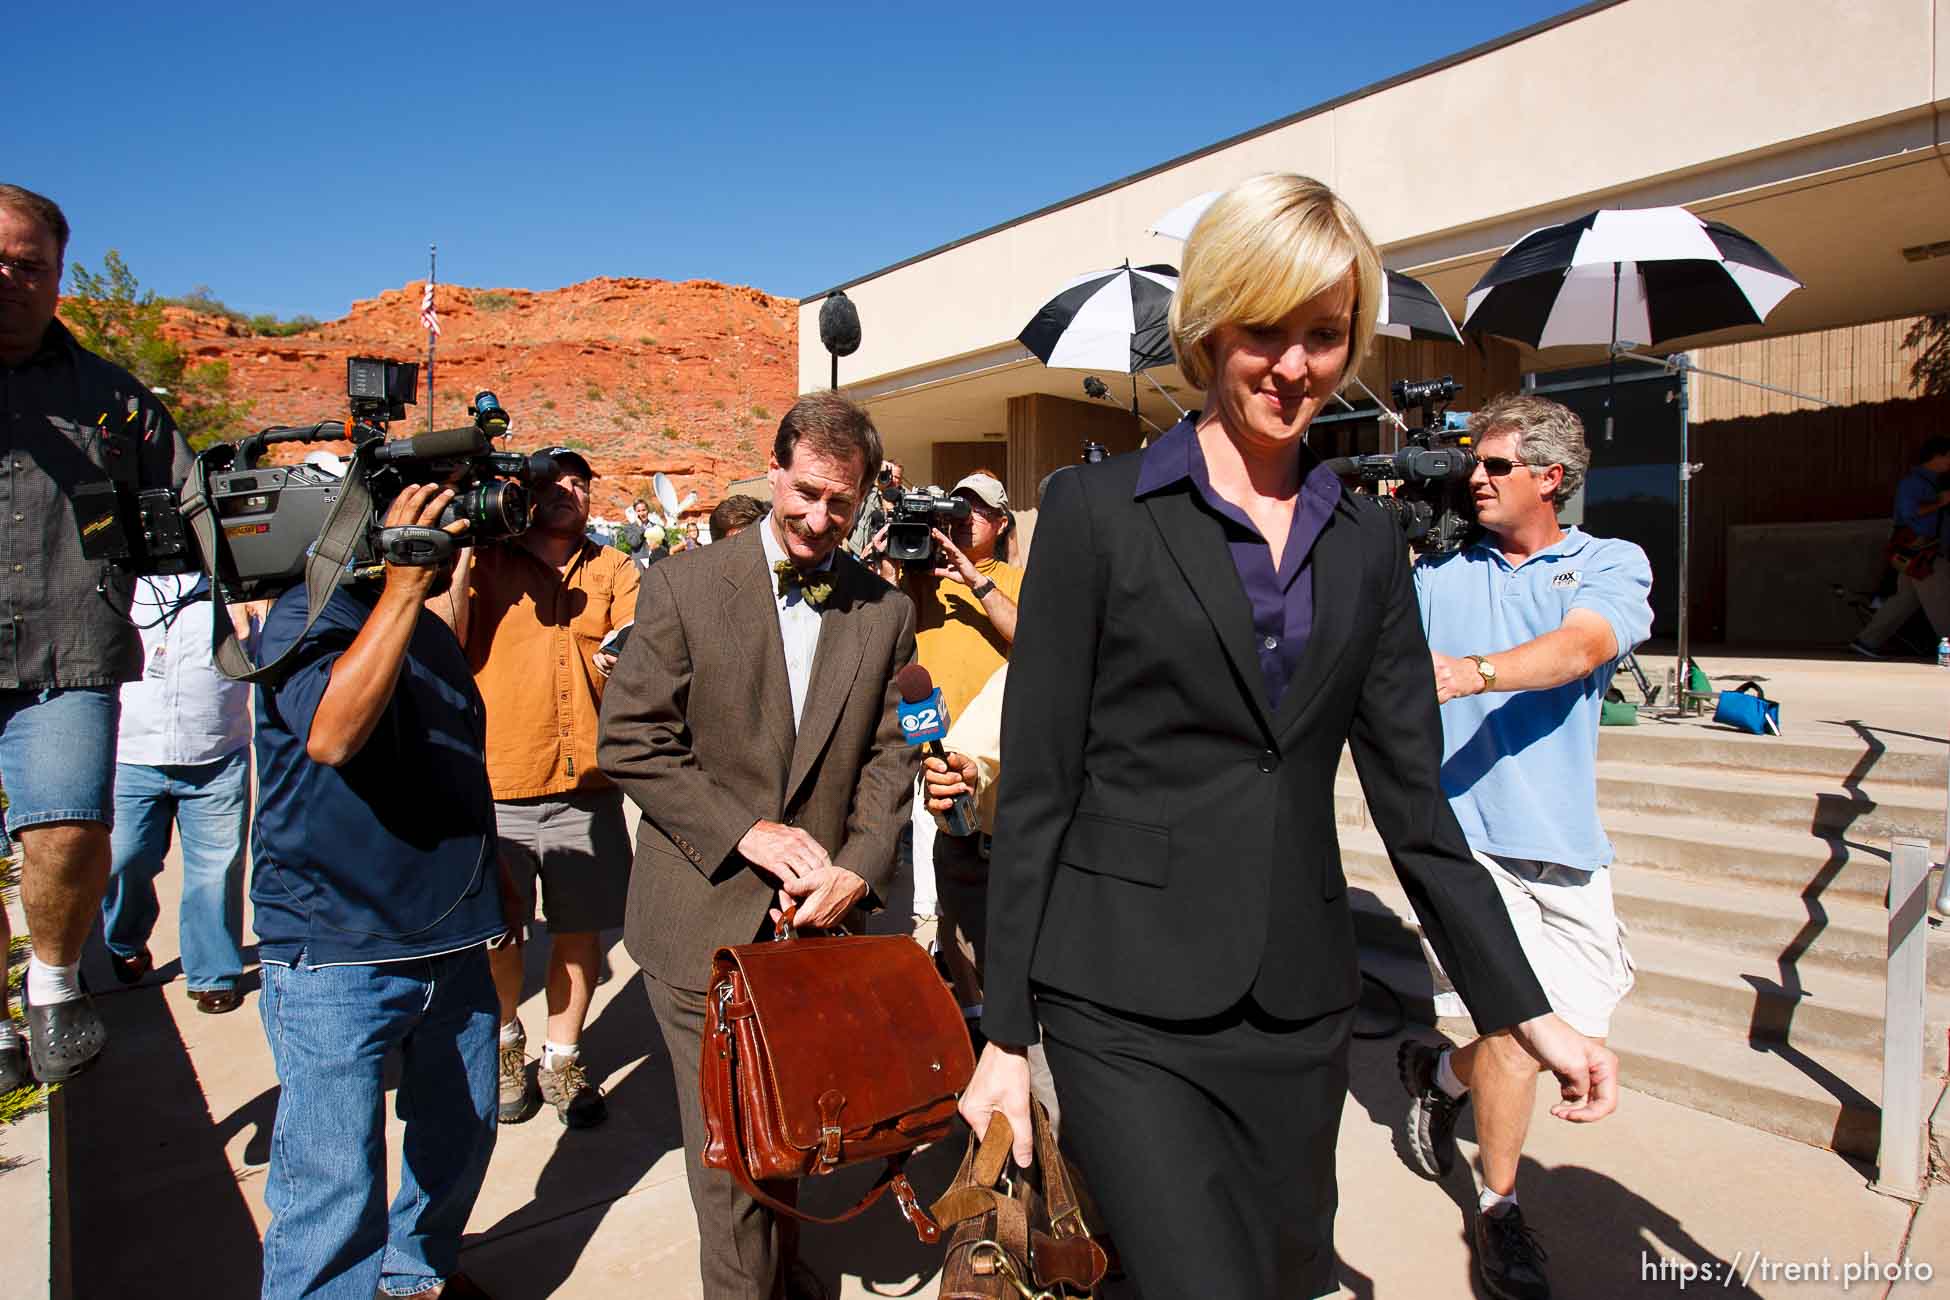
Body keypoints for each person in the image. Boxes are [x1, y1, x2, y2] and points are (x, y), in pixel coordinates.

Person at [957, 173, 1618, 1300]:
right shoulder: (1095, 514)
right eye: (1267, 329)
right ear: (1212, 325)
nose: (1295, 365)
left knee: (1275, 1275)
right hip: (1122, 1003)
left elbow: (1416, 806)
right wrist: (1005, 1036)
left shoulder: (1368, 544)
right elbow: (1040, 793)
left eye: (1325, 334)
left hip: (1297, 1007)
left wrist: (1524, 1008)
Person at [598, 391, 917, 1300]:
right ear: (773, 471)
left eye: (840, 504)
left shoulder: (885, 612)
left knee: (795, 1140)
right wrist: (744, 829)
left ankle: (789, 1280)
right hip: (700, 927)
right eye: (806, 493)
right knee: (732, 1165)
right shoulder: (684, 584)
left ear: (864, 502)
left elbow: (889, 761)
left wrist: (859, 863)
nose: (819, 520)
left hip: (812, 934)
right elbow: (629, 741)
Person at [1398, 393, 1652, 1300]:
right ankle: (1501, 1213)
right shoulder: (1437, 574)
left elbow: (1583, 649)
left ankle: (1433, 1071)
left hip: (1568, 848)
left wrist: (1473, 673)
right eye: (1472, 462)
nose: (1476, 477)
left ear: (1550, 478)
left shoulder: (1609, 563)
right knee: (1513, 1030)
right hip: (1470, 846)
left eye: (1496, 465)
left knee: (1562, 1038)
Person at [251, 483, 514, 1300]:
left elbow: (456, 761)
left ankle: (416, 1277)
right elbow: (331, 733)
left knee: (461, 1139)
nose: (462, 555)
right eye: (449, 539)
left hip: (452, 939)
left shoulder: (432, 633)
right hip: (337, 948)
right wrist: (404, 585)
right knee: (331, 1189)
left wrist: (490, 883)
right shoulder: (308, 612)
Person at [0, 183, 194, 1087]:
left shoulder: (113, 399)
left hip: (65, 649)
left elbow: (196, 510)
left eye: (27, 264)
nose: (9, 278)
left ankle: (51, 978)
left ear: (56, 276)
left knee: (72, 826)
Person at [436, 447, 639, 1130]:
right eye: (554, 483)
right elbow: (444, 636)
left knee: (580, 932)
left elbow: (639, 651)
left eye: (581, 483)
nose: (569, 493)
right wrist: (465, 545)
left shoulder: (616, 568)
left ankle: (562, 1056)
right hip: (498, 783)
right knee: (499, 933)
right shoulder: (488, 564)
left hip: (587, 786)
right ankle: (503, 1045)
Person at [100, 575, 258, 1014]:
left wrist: (256, 597)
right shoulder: (120, 578)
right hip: (132, 751)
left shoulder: (235, 573)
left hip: (216, 749)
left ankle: (213, 974)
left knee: (216, 870)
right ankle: (125, 939)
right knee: (124, 858)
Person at [1852, 436, 1950, 656]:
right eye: (1949, 456)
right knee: (1942, 602)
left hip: (1920, 554)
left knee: (1904, 601)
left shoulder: (1934, 482)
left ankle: (1866, 642)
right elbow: (1908, 514)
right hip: (1922, 553)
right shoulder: (1913, 483)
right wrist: (1940, 503)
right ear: (1938, 456)